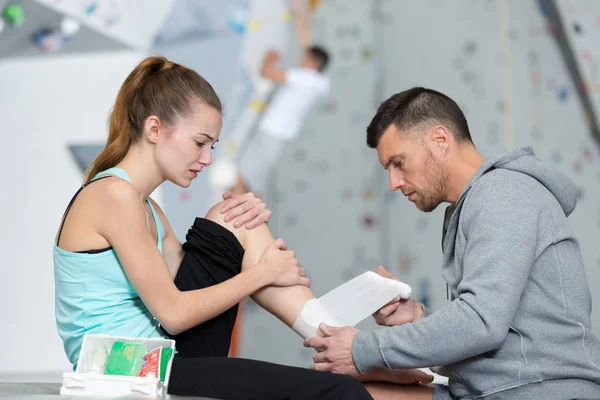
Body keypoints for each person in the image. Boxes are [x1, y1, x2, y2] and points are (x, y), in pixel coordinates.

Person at [53, 55, 375, 400]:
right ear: (155, 129)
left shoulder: (147, 207)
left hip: (160, 354)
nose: (207, 159)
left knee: (232, 215)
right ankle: (345, 347)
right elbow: (174, 313)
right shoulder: (113, 195)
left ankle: (341, 343)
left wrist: (254, 251)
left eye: (212, 146)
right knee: (340, 391)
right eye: (199, 143)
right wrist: (262, 273)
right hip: (125, 369)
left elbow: (198, 285)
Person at [304, 87, 600, 399]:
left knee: (344, 390)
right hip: (494, 389)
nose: (393, 183)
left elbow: (481, 323)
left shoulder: (504, 194)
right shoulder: (475, 204)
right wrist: (415, 315)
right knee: (349, 390)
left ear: (440, 140)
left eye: (399, 162)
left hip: (540, 391)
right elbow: (491, 329)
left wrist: (362, 349)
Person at [232, 0, 331, 195]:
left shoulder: (302, 78)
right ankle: (242, 209)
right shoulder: (319, 82)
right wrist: (298, 10)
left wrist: (270, 56)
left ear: (310, 64)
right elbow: (306, 42)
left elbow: (266, 72)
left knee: (248, 178)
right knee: (250, 176)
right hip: (279, 131)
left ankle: (245, 216)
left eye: (305, 58)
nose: (301, 58)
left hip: (272, 129)